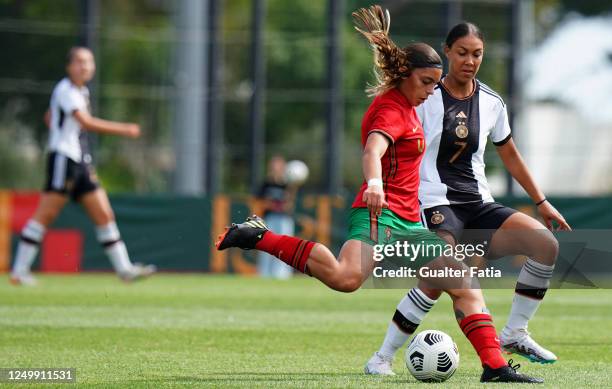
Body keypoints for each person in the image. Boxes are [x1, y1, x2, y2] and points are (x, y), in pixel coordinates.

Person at [217, 6, 542, 383]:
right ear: (406, 76)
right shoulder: (391, 110)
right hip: (379, 213)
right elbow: (373, 149)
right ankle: (260, 236)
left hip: (408, 220)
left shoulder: (411, 106)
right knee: (344, 278)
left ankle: (496, 368)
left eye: (435, 84)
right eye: (425, 82)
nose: (431, 90)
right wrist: (373, 184)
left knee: (464, 283)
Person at [364, 22, 571, 375]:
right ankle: (383, 358)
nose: (470, 61)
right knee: (448, 278)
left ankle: (515, 332)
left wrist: (541, 201)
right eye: (462, 53)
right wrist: (380, 184)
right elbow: (390, 139)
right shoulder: (424, 98)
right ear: (446, 53)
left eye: (477, 54)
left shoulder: (491, 102)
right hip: (432, 205)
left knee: (545, 245)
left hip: (478, 205)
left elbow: (510, 155)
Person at [9, 46, 156, 286]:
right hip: (63, 159)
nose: (84, 66)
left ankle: (125, 270)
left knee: (104, 214)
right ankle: (19, 270)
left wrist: (57, 123)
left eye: (88, 62)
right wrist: (125, 129)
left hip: (80, 161)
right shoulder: (67, 90)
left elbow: (50, 117)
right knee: (46, 213)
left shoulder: (80, 91)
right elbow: (85, 122)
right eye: (79, 62)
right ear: (69, 67)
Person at [256, 156, 296, 279]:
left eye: (278, 165)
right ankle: (264, 274)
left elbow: (289, 205)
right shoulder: (266, 183)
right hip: (269, 218)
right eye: (274, 165)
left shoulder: (287, 184)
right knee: (267, 247)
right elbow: (260, 202)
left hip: (284, 219)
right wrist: (272, 205)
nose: (276, 168)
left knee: (284, 247)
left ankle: (282, 276)